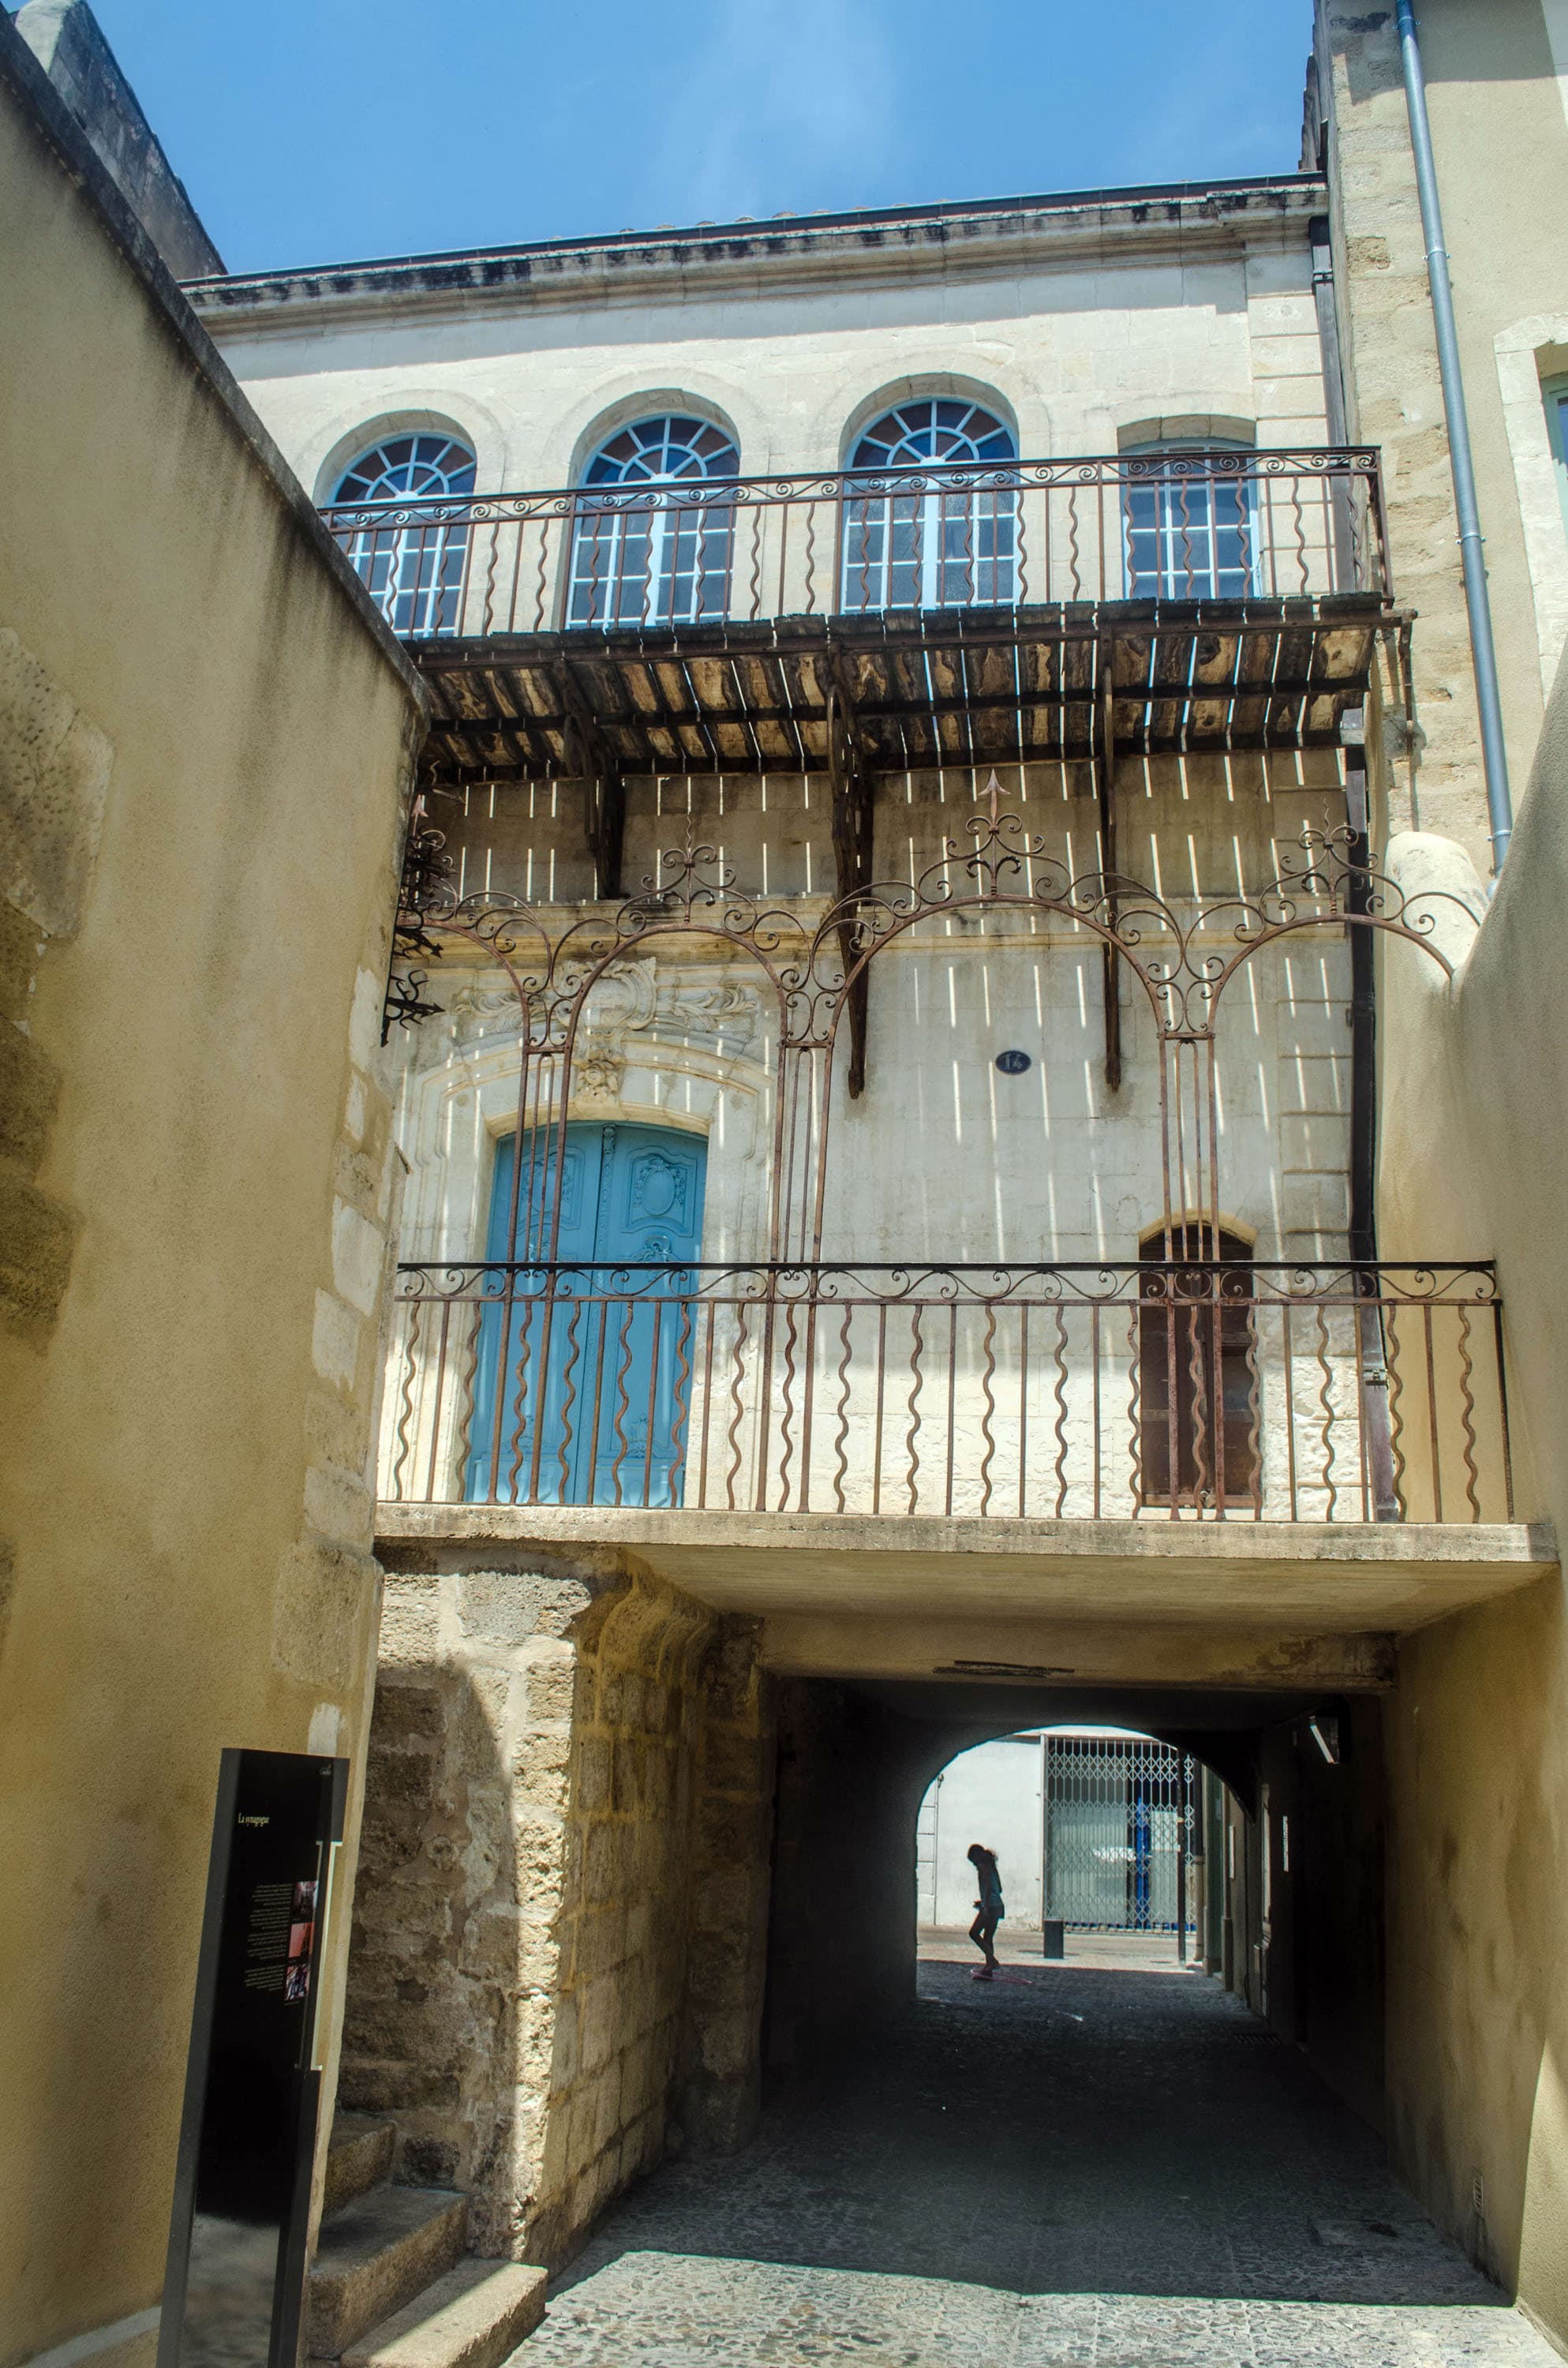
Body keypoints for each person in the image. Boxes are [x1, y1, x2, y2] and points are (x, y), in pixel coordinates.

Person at [967, 1842, 1003, 1978]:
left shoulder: (983, 1868)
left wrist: (985, 1905)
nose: (974, 1865)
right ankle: (988, 1970)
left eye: (973, 1861)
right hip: (998, 1905)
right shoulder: (992, 1867)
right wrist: (983, 1902)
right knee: (988, 1937)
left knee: (974, 1933)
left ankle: (992, 1961)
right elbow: (999, 1889)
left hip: (990, 1906)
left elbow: (987, 1888)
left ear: (976, 1857)